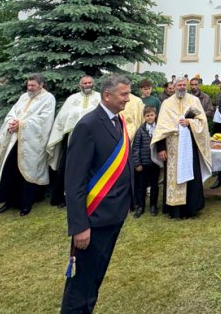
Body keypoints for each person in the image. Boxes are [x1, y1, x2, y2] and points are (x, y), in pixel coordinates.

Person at [60, 75, 135, 314]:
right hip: (93, 219)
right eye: (123, 94)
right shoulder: (88, 126)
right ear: (107, 95)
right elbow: (74, 182)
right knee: (82, 281)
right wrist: (79, 226)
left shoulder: (117, 120)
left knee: (95, 276)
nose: (128, 98)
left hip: (114, 215)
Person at [0, 74, 56, 217]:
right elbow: (13, 112)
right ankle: (8, 202)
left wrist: (22, 125)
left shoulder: (48, 98)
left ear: (41, 85)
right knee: (10, 169)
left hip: (32, 143)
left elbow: (44, 120)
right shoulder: (24, 96)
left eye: (33, 86)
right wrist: (12, 122)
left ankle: (26, 204)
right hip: (15, 140)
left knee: (28, 173)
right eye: (28, 85)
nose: (30, 88)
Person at [151, 77, 212, 219]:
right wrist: (161, 148)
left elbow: (202, 122)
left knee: (191, 177)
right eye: (179, 85)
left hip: (189, 146)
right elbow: (161, 128)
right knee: (173, 178)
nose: (182, 87)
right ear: (174, 86)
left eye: (184, 84)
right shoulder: (166, 103)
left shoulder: (194, 101)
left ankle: (191, 209)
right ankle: (174, 210)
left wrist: (189, 122)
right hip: (171, 147)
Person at [47, 75, 100, 208]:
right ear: (80, 85)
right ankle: (64, 197)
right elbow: (62, 118)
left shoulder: (100, 97)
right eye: (85, 83)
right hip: (73, 140)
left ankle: (92, 196)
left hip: (94, 140)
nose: (87, 85)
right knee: (69, 168)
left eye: (89, 83)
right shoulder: (72, 99)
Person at [131, 105, 160, 217]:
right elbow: (136, 147)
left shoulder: (159, 129)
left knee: (154, 185)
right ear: (144, 117)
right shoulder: (141, 130)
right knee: (141, 186)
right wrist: (137, 163)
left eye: (151, 115)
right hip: (143, 163)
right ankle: (140, 206)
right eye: (147, 115)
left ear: (155, 115)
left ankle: (153, 206)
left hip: (155, 163)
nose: (150, 117)